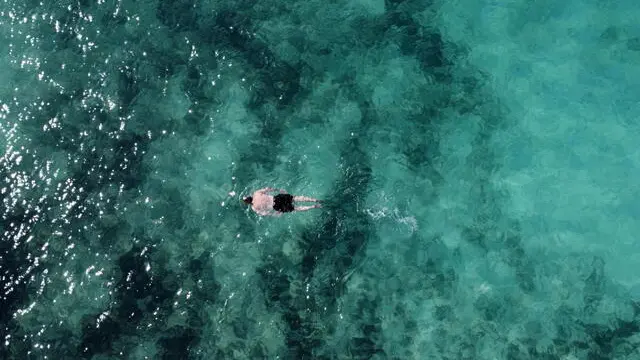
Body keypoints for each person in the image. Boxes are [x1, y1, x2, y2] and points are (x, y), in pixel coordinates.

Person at [242, 187, 321, 216]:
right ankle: (315, 200)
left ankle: (313, 206)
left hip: (276, 207)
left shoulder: (254, 207)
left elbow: (264, 213)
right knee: (296, 198)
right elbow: (268, 188)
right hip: (277, 198)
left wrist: (275, 213)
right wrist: (278, 189)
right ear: (250, 196)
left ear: (249, 203)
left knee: (296, 208)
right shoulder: (256, 193)